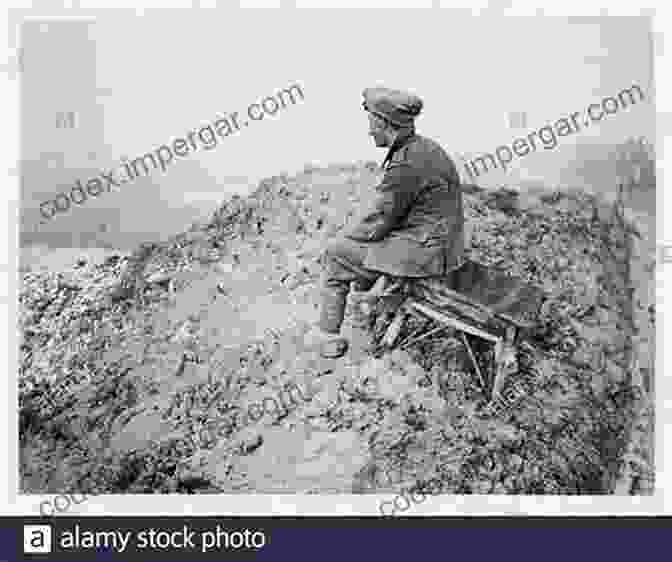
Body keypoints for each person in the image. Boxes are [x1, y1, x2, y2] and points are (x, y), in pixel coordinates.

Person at [307, 86, 465, 358]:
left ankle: (328, 339)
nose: (369, 131)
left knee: (336, 255)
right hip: (440, 246)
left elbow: (377, 220)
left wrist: (344, 237)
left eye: (371, 123)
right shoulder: (423, 148)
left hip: (426, 253)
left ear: (384, 123)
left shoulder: (406, 163)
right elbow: (389, 213)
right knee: (359, 250)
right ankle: (364, 316)